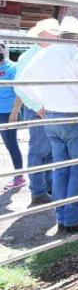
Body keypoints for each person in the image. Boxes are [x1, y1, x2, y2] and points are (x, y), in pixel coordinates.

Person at [18, 16, 78, 233]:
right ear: (77, 37)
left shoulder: (43, 54)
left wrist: (43, 103)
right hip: (77, 118)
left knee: (60, 168)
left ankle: (62, 216)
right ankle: (73, 219)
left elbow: (23, 82)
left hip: (53, 117)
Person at [7, 19, 58, 203]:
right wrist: (39, 108)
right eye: (54, 33)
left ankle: (47, 187)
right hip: (39, 108)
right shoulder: (30, 56)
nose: (57, 37)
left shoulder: (44, 54)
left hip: (45, 108)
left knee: (49, 150)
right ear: (43, 34)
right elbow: (21, 86)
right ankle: (38, 190)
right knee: (39, 150)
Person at [0, 41, 23, 191]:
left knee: (11, 144)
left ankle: (19, 176)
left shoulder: (13, 67)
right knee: (8, 145)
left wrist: (15, 112)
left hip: (9, 112)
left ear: (4, 50)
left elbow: (20, 91)